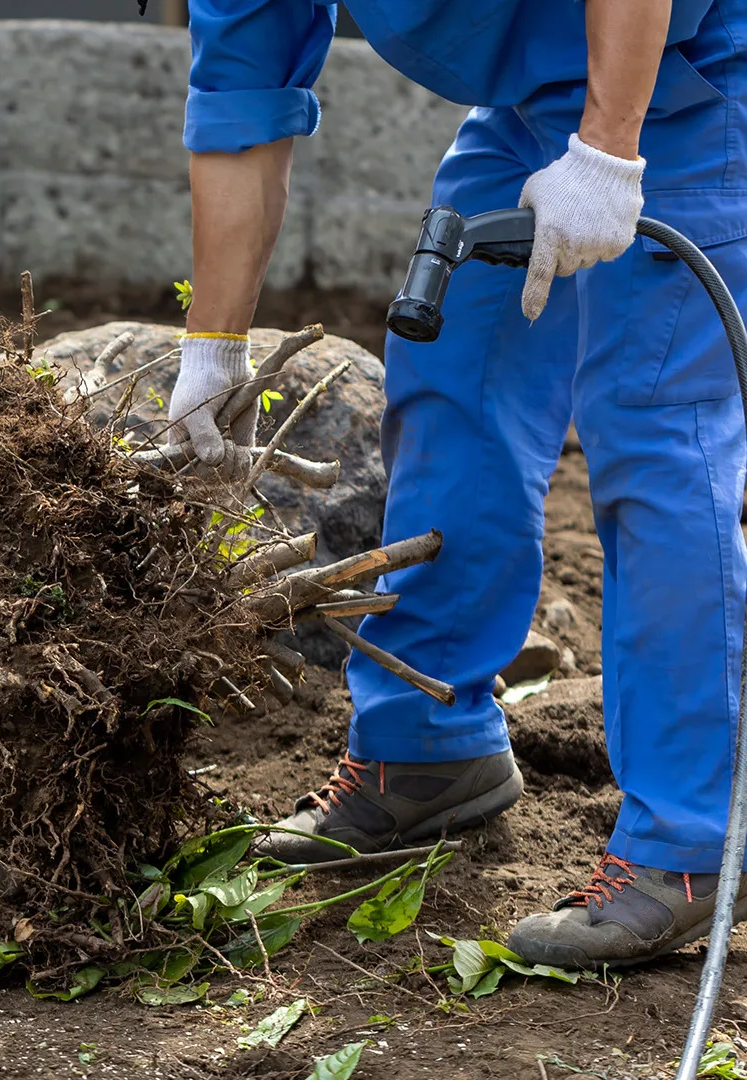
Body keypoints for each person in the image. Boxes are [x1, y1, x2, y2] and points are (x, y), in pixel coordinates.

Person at [174, 0, 747, 967]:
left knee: (652, 427)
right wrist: (213, 348)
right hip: (526, 106)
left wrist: (609, 149)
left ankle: (690, 844)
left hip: (684, 77)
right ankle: (428, 750)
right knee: (453, 381)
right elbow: (242, 98)